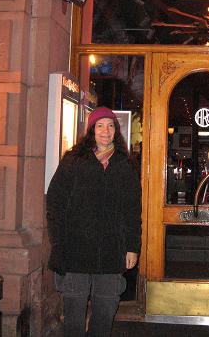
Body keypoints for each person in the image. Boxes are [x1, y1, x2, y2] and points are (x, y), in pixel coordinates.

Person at [46, 107, 142, 337]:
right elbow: (55, 203)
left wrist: (132, 247)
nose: (105, 131)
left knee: (105, 311)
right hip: (75, 251)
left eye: (110, 126)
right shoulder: (73, 161)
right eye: (100, 125)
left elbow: (132, 210)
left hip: (110, 252)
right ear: (91, 130)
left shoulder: (124, 165)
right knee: (74, 316)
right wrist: (58, 242)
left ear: (116, 131)